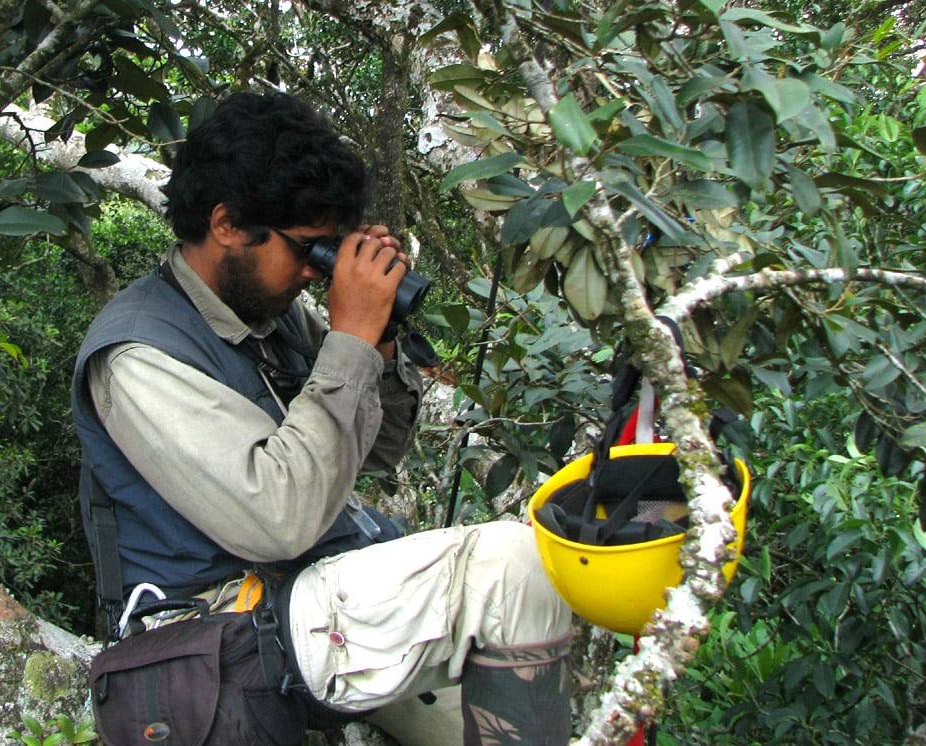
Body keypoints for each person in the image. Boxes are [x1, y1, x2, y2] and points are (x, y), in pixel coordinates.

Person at [72, 90, 573, 745]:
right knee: (515, 564)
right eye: (308, 247)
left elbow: (378, 451)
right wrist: (351, 337)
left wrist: (381, 336)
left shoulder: (270, 319)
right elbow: (279, 522)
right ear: (227, 224)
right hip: (220, 634)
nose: (316, 271)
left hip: (311, 597)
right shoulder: (138, 354)